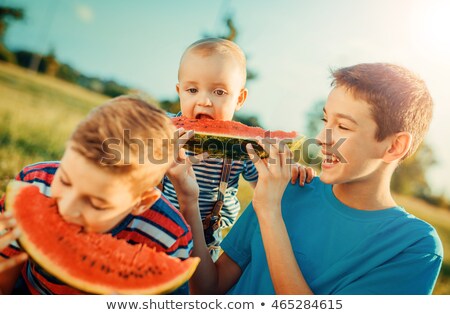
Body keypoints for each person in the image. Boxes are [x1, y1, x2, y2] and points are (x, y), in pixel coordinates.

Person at [169, 63, 443, 294]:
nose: (323, 139)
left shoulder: (413, 245)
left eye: (343, 127)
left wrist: (269, 212)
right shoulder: (289, 190)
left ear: (394, 146)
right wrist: (189, 200)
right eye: (326, 121)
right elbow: (208, 290)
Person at [0, 96, 194, 294]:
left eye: (96, 204)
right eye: (65, 180)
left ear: (142, 202)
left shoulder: (169, 237)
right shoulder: (35, 182)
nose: (67, 209)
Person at [162, 38, 314, 261]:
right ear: (179, 91)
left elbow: (268, 181)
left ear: (240, 98)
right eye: (192, 89)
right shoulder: (159, 127)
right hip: (151, 231)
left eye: (219, 92)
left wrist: (290, 171)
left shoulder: (244, 150)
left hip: (203, 250)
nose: (204, 101)